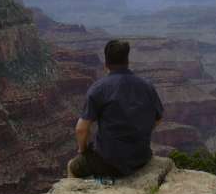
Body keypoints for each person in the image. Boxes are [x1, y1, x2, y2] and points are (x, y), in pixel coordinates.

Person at [67, 39, 164, 178]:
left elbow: (81, 129)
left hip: (108, 161)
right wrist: (139, 131)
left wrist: (82, 150)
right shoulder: (147, 86)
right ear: (127, 61)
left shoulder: (98, 89)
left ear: (106, 64)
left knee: (73, 166)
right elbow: (159, 118)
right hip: (141, 157)